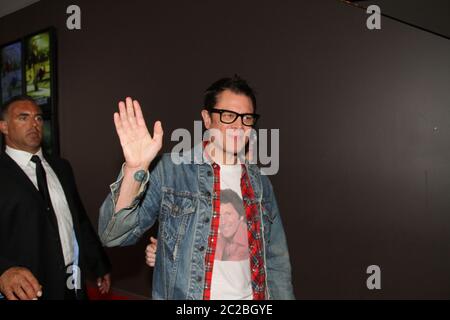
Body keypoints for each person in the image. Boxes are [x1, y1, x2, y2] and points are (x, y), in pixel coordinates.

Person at [99, 75, 294, 300]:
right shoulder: (171, 171)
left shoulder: (260, 183)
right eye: (229, 116)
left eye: (247, 118)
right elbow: (112, 235)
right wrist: (135, 169)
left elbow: (276, 259)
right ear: (207, 119)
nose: (239, 126)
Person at [0, 95, 112, 300]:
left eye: (38, 118)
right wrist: (3, 271)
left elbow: (78, 219)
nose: (34, 124)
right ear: (4, 127)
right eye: (23, 118)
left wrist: (99, 264)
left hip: (71, 281)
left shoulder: (61, 167)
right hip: (26, 290)